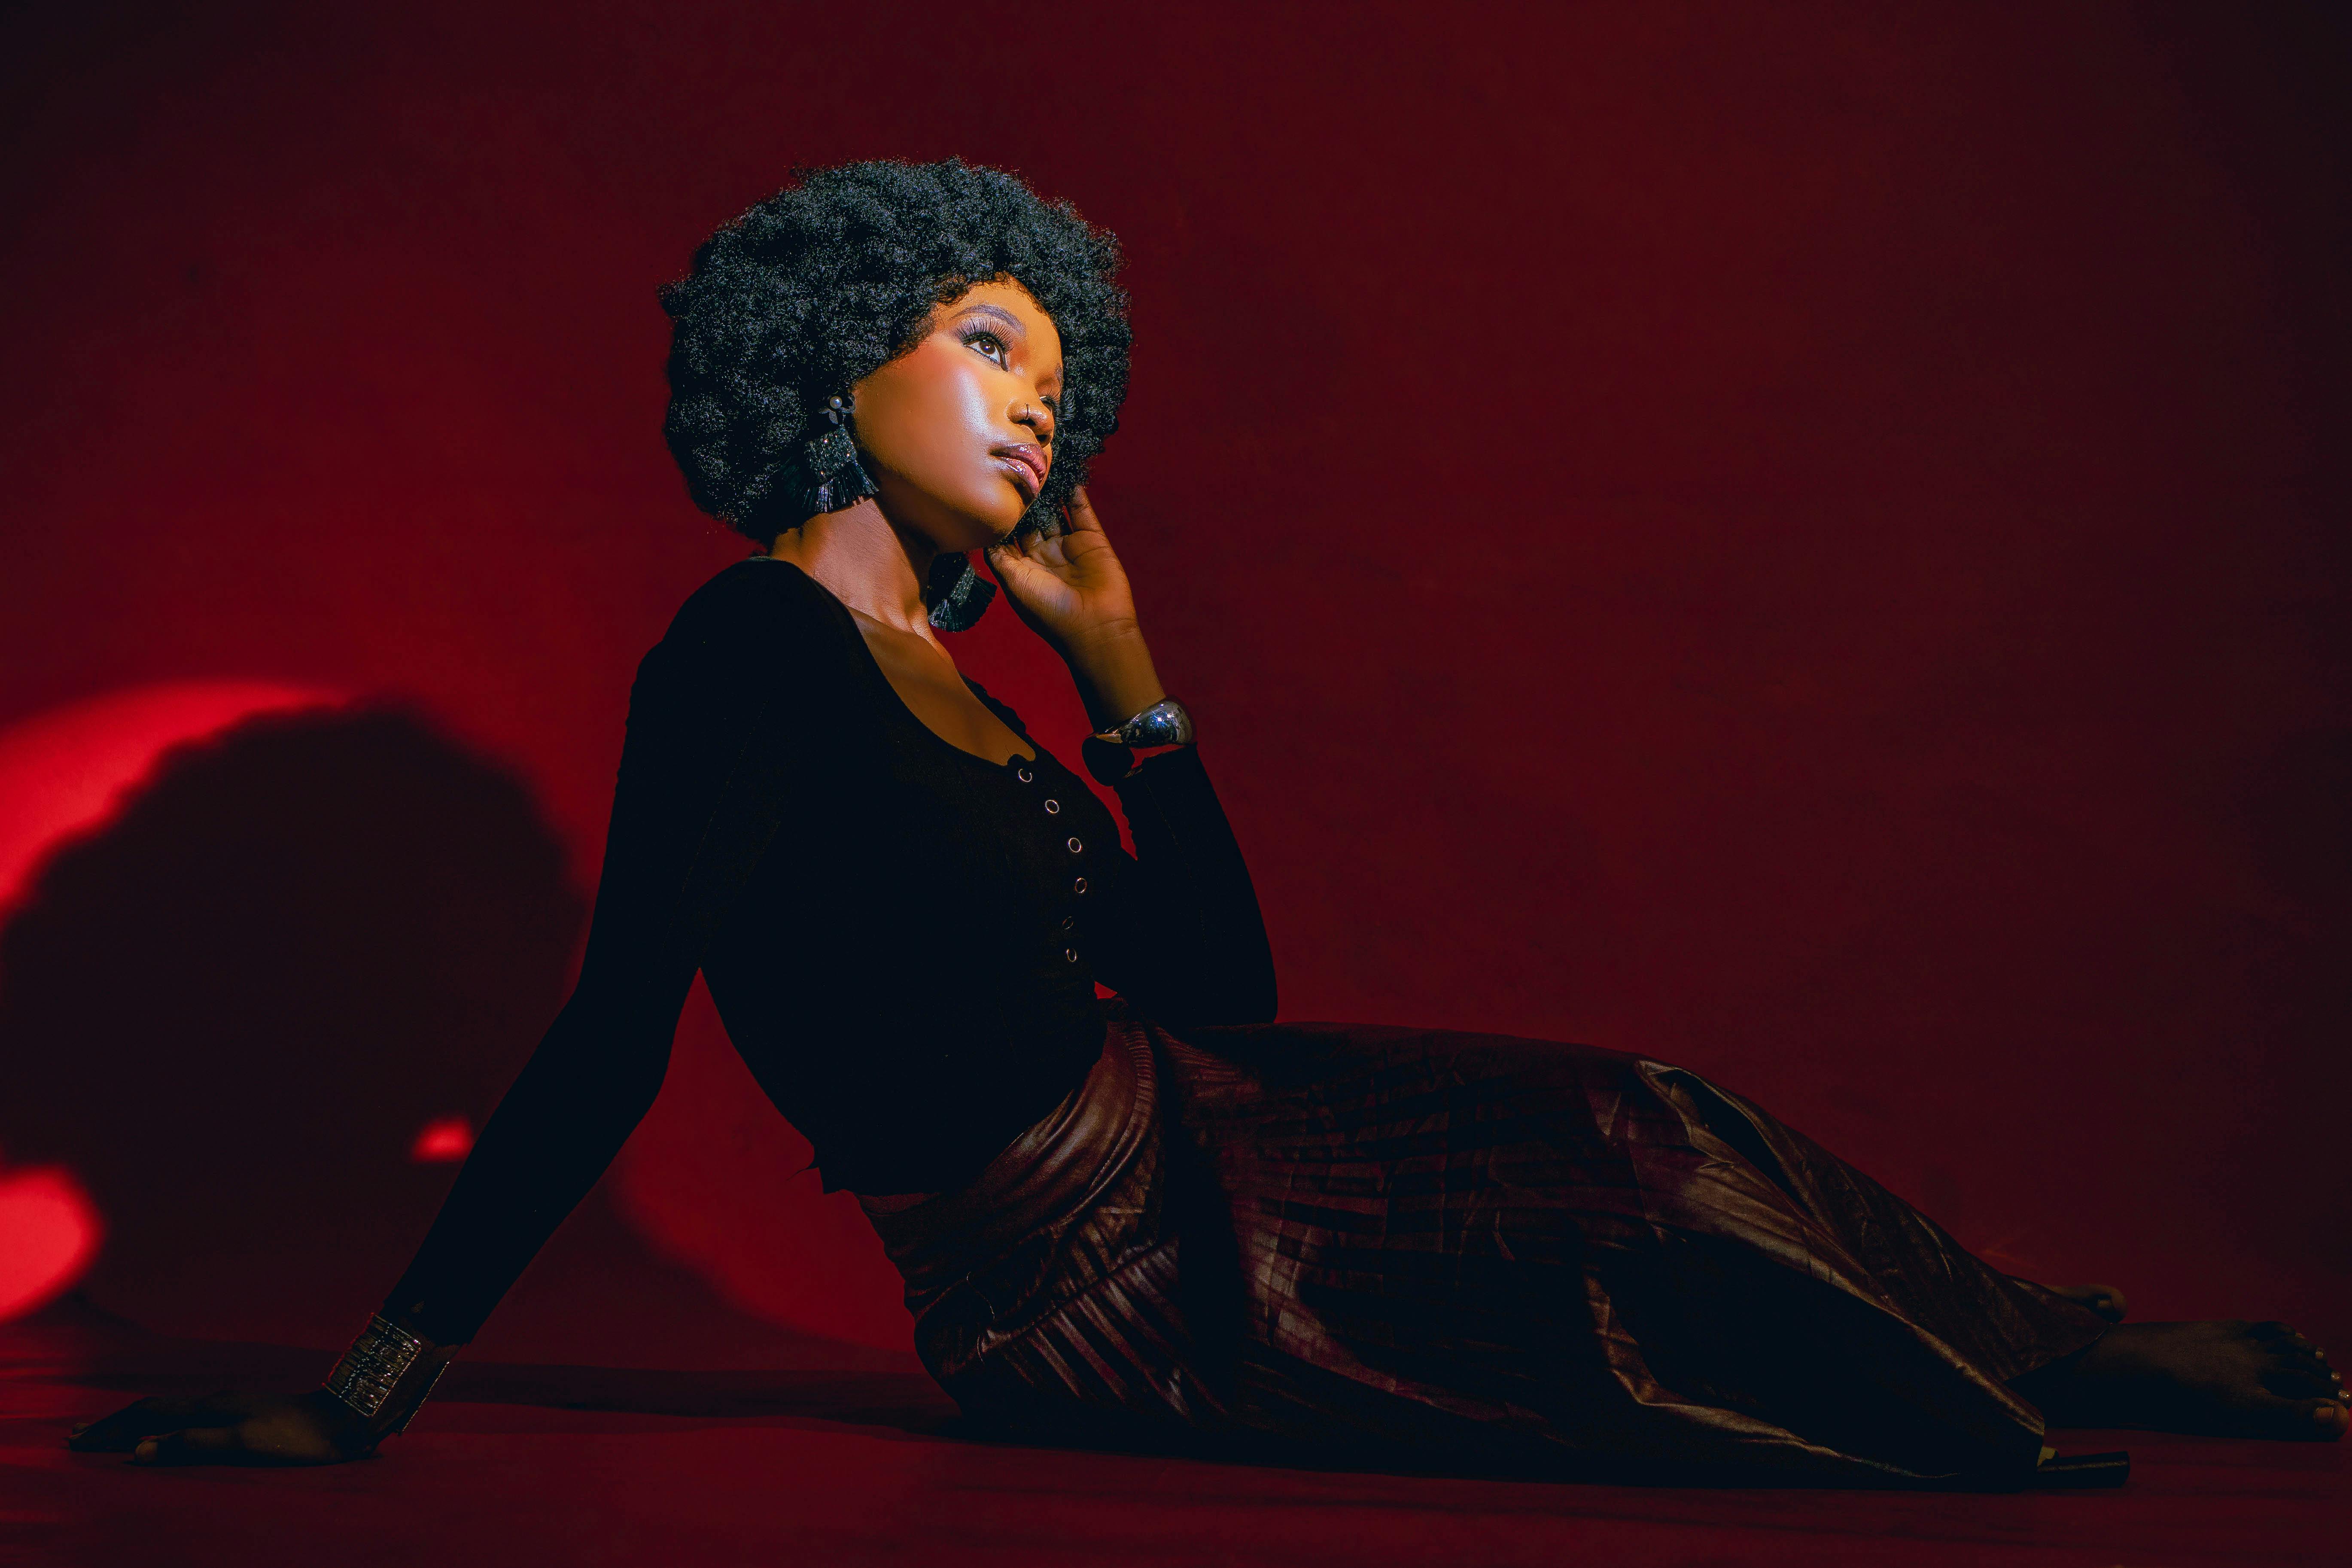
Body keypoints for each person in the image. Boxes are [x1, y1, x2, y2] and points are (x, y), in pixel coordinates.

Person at [68, 158, 2346, 1487]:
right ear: (829, 360)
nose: (1033, 394)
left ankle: (2053, 1337)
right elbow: (609, 1032)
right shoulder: (739, 659)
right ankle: (1983, 1406)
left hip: (1221, 1122)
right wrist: (363, 1393)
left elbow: (1222, 996)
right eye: (982, 344)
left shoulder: (963, 683)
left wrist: (1127, 675)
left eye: (1057, 369)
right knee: (1618, 1223)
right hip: (1089, 1280)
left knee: (1653, 1105)